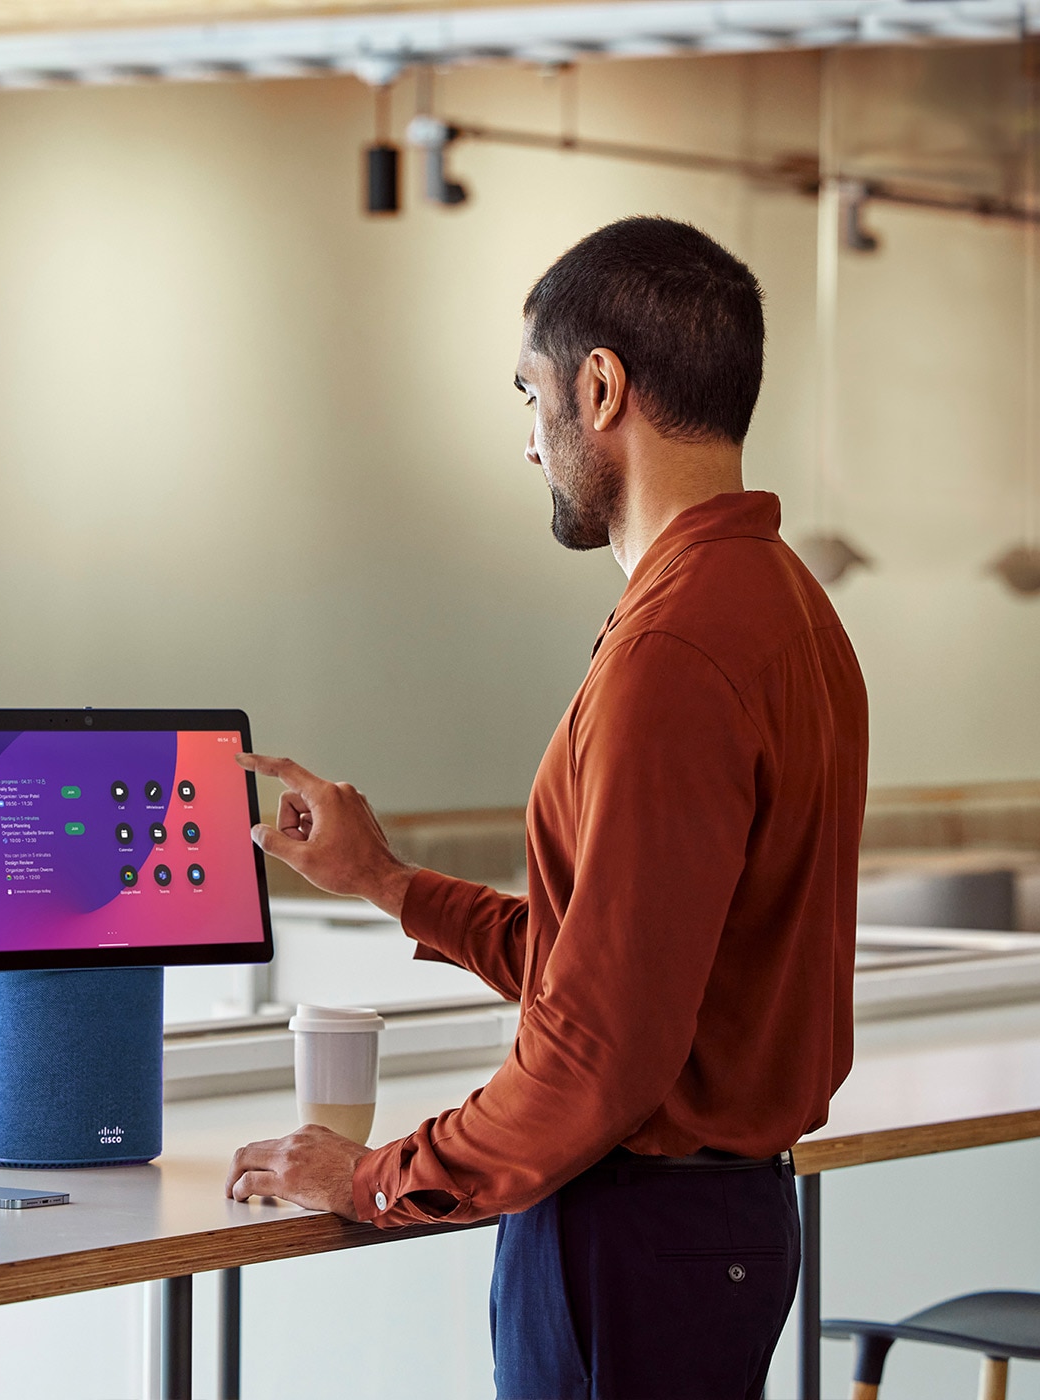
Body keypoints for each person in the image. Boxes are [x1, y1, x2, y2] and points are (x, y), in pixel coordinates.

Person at [223, 216, 868, 1399]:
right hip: (710, 1224)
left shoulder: (674, 647)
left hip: (629, 1237)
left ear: (600, 385)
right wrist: (387, 881)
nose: (528, 441)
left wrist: (372, 1177)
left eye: (529, 393)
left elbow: (596, 1055)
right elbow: (614, 971)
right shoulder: (782, 607)